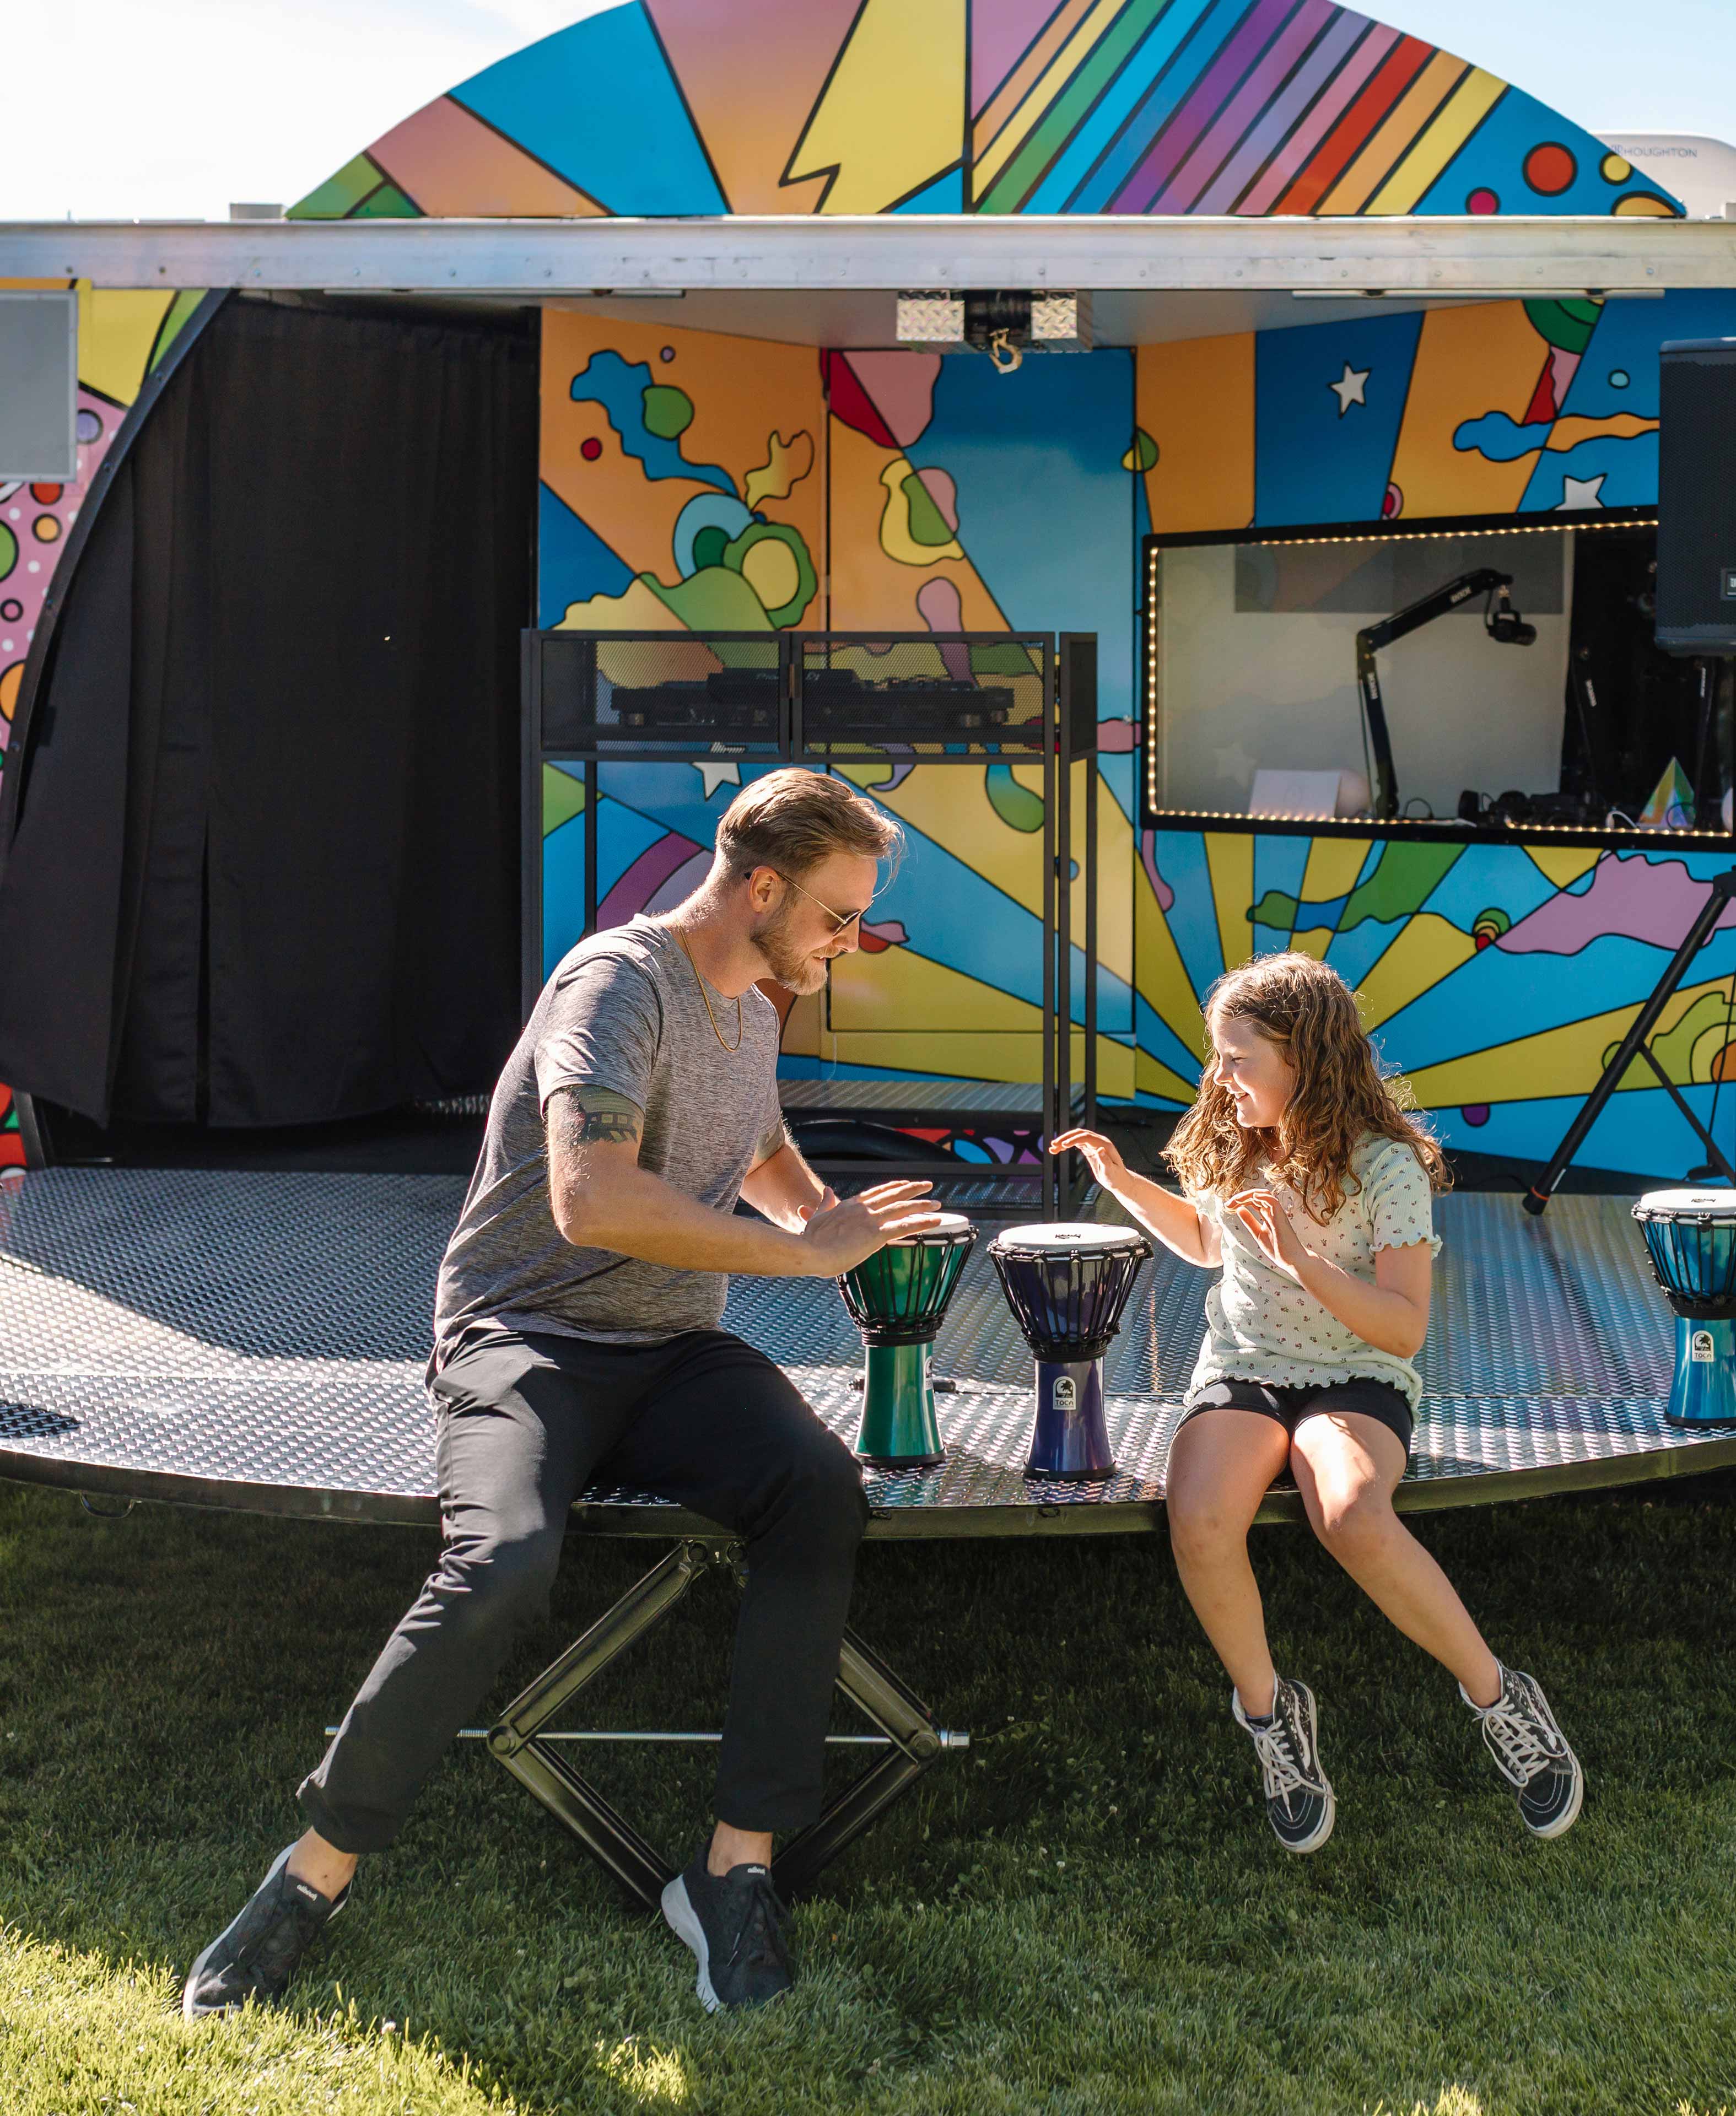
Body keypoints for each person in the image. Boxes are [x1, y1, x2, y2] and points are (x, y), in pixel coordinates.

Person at [184, 768, 941, 2020]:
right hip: (524, 1335)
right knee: (503, 1563)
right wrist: (807, 1256)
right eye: (834, 915)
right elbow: (593, 1199)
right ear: (761, 888)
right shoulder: (616, 984)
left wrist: (829, 1217)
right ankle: (312, 1874)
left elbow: (754, 1144)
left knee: (815, 1490)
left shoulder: (761, 992)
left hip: (670, 1353)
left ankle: (732, 1873)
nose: (847, 940)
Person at [1052, 951, 1582, 1855]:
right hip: (1246, 1364)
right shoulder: (1230, 1140)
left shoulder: (1386, 1167)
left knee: (1351, 1515)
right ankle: (1270, 1719)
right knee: (1201, 1519)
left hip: (1357, 1370)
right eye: (1218, 1057)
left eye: (1236, 1058)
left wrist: (1302, 1258)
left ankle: (1498, 1698)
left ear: (1305, 1055)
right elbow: (1208, 1245)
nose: (1219, 1078)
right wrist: (1121, 1183)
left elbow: (1403, 1328)